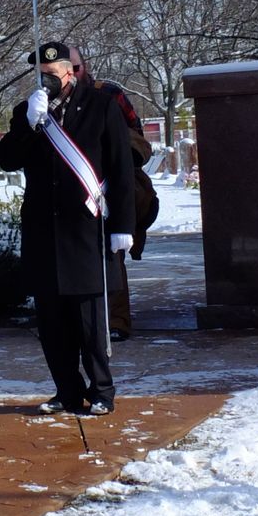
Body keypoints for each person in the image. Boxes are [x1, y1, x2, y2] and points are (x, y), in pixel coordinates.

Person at [0, 41, 135, 416]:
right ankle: (67, 391)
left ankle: (102, 391)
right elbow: (7, 159)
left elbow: (122, 169)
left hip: (87, 231)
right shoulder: (29, 111)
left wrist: (123, 224)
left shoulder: (101, 105)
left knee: (90, 324)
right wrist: (28, 125)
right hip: (44, 232)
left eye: (53, 74)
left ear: (71, 72)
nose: (47, 81)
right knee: (52, 323)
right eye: (41, 74)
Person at [71, 47, 160, 342]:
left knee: (113, 256)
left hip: (112, 185)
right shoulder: (47, 100)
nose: (72, 74)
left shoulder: (109, 93)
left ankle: (117, 321)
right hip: (72, 193)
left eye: (76, 67)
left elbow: (138, 140)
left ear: (86, 66)